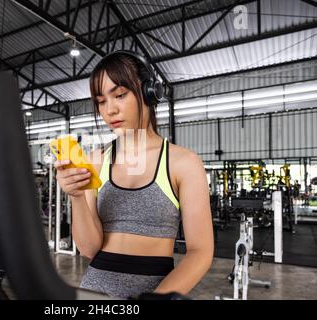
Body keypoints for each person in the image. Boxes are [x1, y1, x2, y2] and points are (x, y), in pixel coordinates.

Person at [54, 51, 214, 299]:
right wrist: (75, 195)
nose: (110, 110)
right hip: (93, 290)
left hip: (154, 291)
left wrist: (157, 299)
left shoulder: (183, 163)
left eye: (119, 95)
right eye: (101, 101)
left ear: (149, 92)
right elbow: (88, 248)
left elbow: (200, 251)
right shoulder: (97, 160)